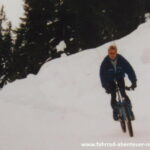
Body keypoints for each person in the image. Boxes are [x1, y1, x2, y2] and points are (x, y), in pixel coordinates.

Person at [100, 45, 137, 120]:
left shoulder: (121, 59)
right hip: (110, 79)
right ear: (108, 53)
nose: (112, 55)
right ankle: (116, 111)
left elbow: (129, 69)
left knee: (123, 92)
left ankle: (130, 110)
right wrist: (106, 87)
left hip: (119, 77)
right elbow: (102, 75)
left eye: (113, 53)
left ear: (116, 52)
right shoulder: (105, 62)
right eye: (110, 53)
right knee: (113, 94)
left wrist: (133, 81)